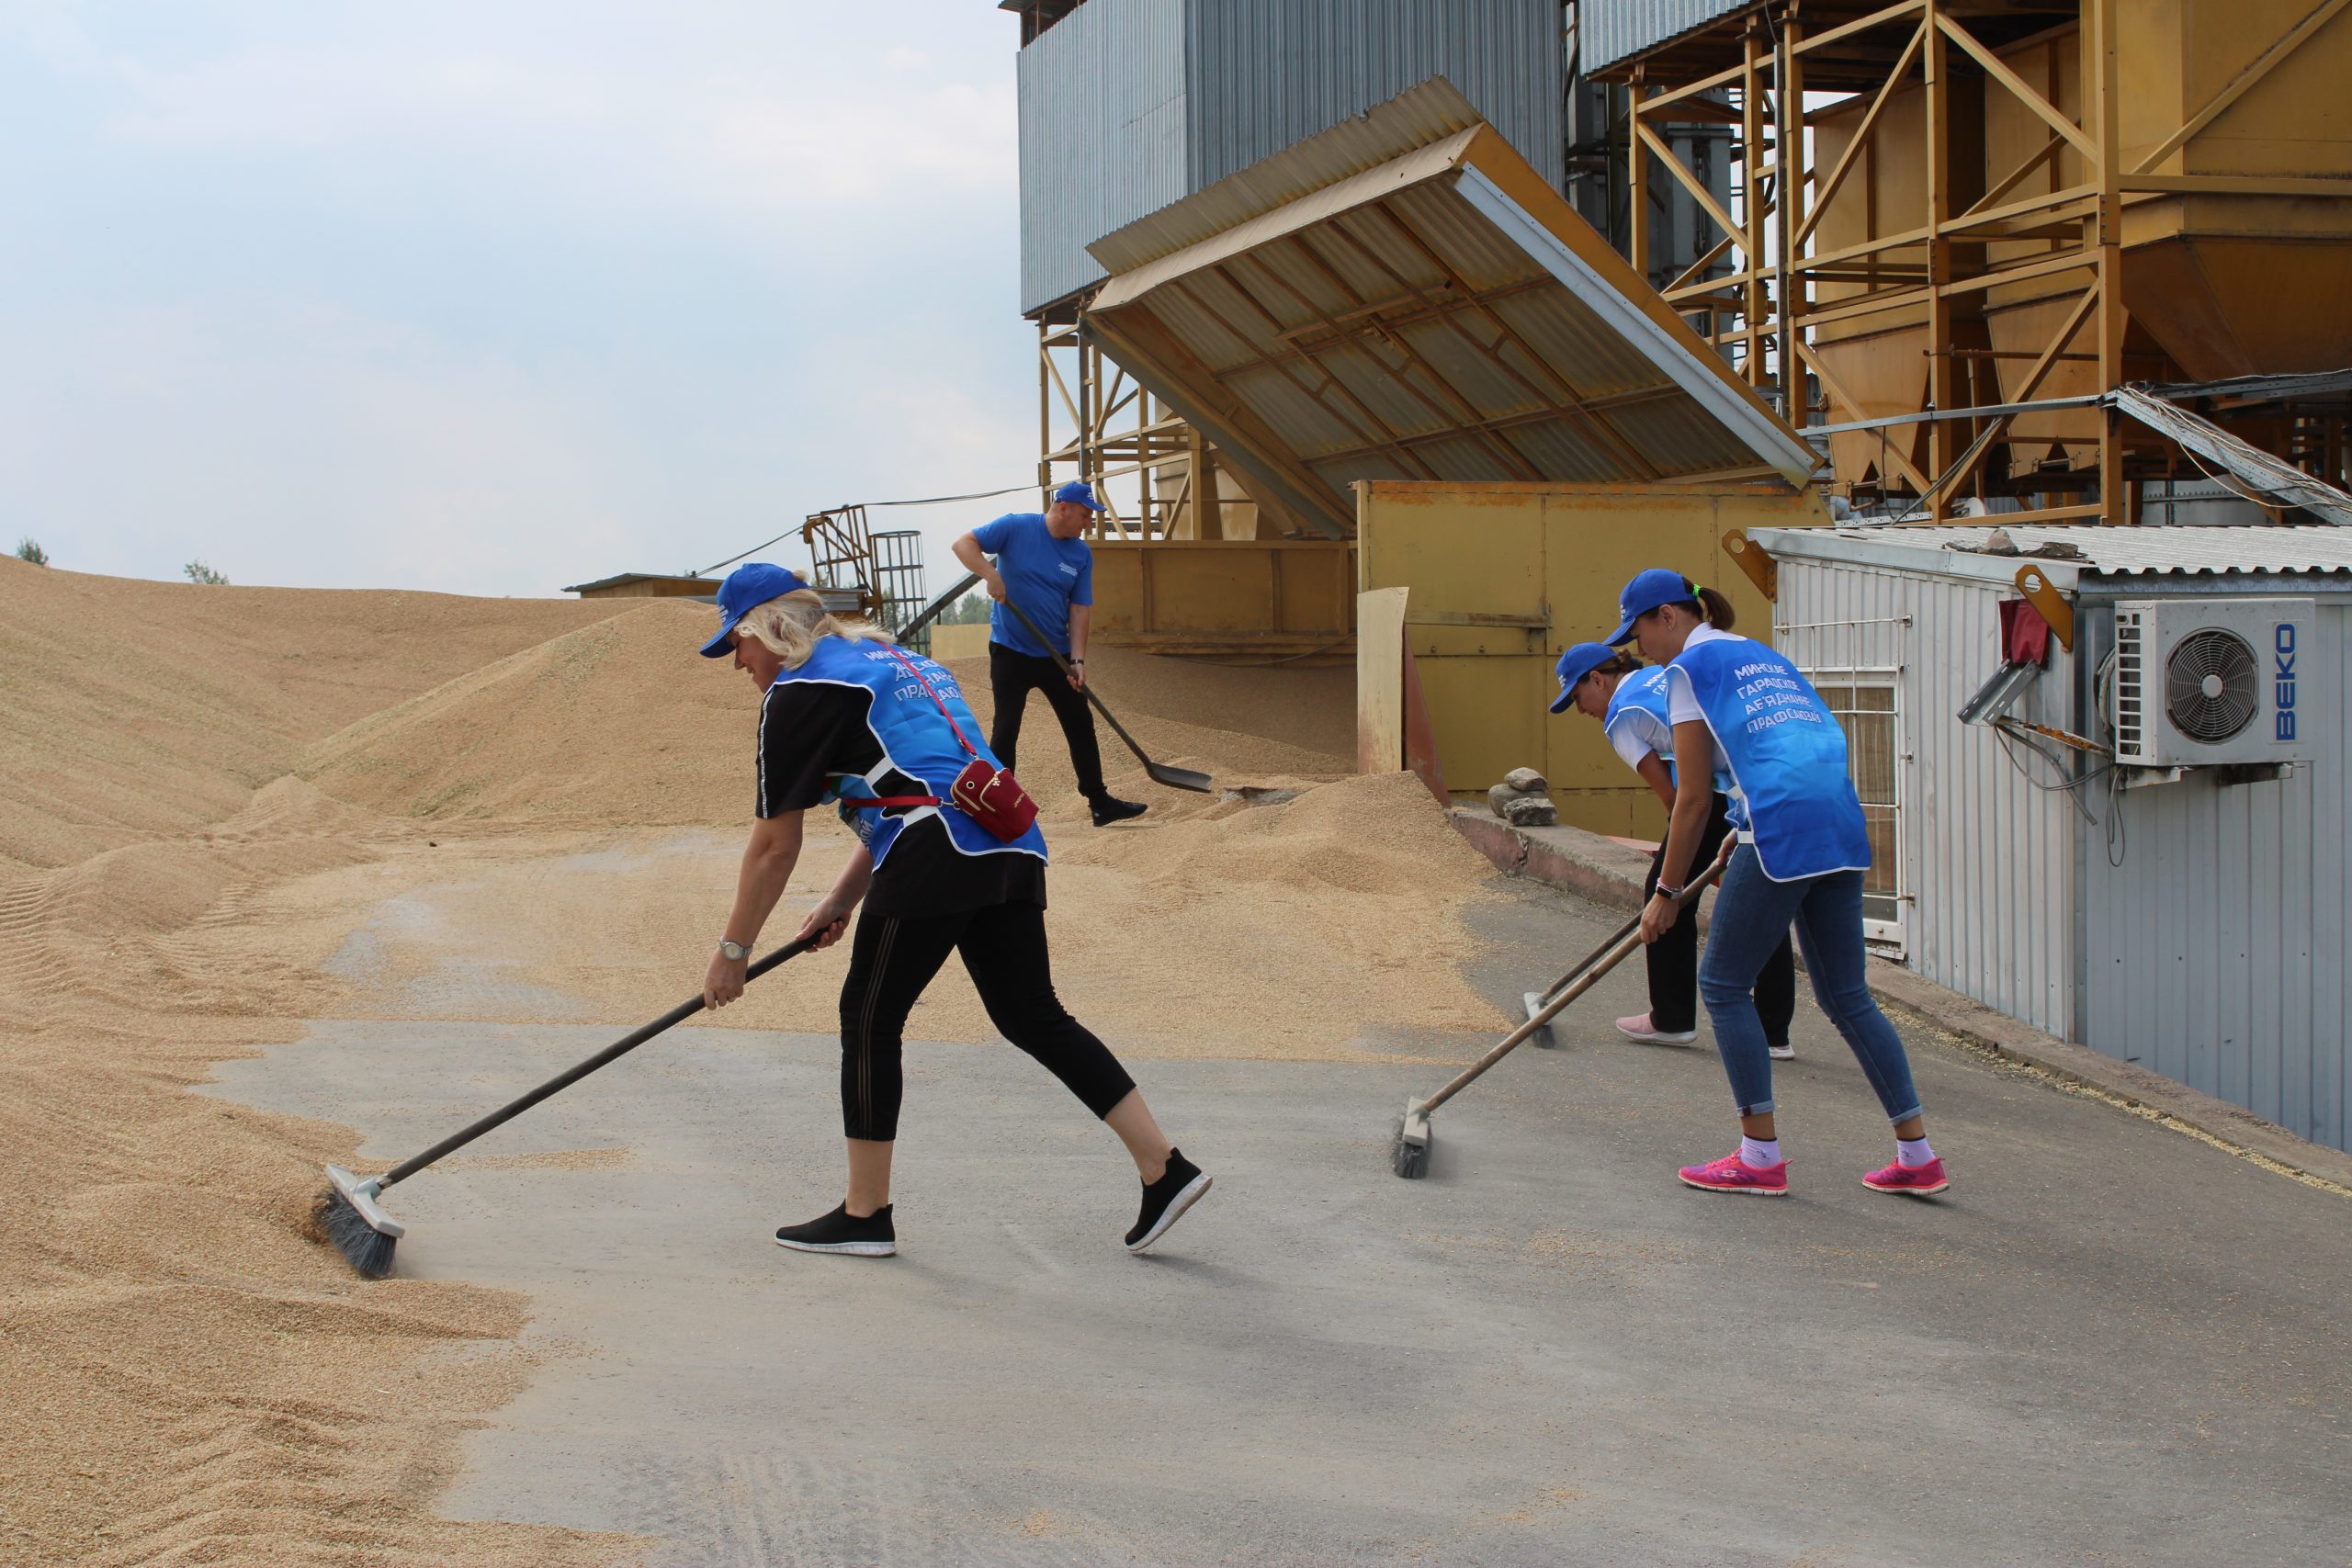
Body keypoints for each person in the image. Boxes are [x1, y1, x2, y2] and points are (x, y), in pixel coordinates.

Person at [695, 561, 1212, 1256]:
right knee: (1033, 1014)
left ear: (772, 628)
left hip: (935, 849)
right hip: (1007, 837)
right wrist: (840, 900)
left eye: (738, 643)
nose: (738, 663)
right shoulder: (895, 660)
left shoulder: (799, 689)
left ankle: (865, 1213)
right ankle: (1164, 1167)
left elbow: (771, 848)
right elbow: (913, 785)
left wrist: (733, 952)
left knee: (870, 1016)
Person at [1607, 569, 1949, 1200]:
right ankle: (1917, 1153)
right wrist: (1745, 816)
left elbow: (1690, 800)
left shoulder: (1687, 670)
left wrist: (1666, 894)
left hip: (1783, 826)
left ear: (1670, 617)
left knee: (1722, 983)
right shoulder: (1760, 654)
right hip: (1839, 817)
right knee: (1848, 997)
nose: (1639, 647)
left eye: (1639, 630)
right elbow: (1779, 746)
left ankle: (1759, 1154)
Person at [1548, 641, 1797, 1059]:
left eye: (1577, 697)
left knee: (1663, 891)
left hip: (1714, 794)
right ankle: (1774, 1031)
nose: (1582, 710)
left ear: (1597, 679)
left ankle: (1672, 1018)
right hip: (1757, 779)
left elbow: (1673, 796)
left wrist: (1677, 858)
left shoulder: (1621, 715)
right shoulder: (1655, 678)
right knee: (1760, 899)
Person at [951, 481, 1148, 829]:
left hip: (1055, 655)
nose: (1088, 522)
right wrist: (991, 573)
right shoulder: (1015, 527)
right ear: (1063, 508)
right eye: (1085, 514)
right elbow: (962, 544)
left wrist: (1078, 660)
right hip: (1009, 652)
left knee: (1080, 725)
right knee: (1006, 728)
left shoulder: (1080, 554)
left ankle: (1100, 803)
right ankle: (996, 805)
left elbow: (1080, 608)